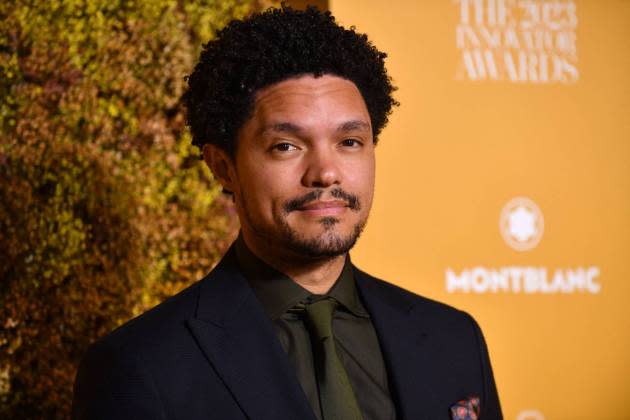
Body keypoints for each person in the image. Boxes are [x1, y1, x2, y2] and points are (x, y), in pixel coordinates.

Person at [72, 6, 502, 420]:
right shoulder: (141, 367)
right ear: (223, 166)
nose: (326, 172)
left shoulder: (455, 340)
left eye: (349, 141)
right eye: (287, 147)